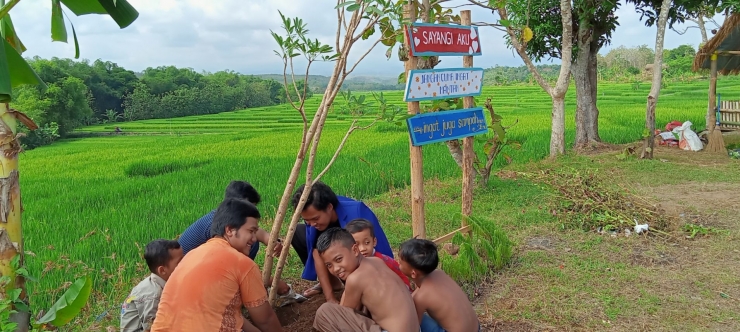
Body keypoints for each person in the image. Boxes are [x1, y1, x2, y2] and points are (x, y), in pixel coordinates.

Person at [151, 198, 284, 332]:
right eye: (251, 231)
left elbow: (232, 317)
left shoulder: (192, 255)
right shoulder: (242, 263)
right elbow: (266, 320)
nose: (255, 239)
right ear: (230, 230)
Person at [177, 180, 304, 306]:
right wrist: (272, 282)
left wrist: (273, 241)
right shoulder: (218, 229)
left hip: (202, 269)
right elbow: (232, 264)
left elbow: (259, 232)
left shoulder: (228, 220)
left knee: (251, 242)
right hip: (189, 280)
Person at [289, 181, 393, 302]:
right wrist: (330, 298)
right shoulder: (314, 224)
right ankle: (333, 283)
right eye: (307, 220)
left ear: (329, 207)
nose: (311, 224)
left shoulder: (357, 213)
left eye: (315, 218)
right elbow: (316, 254)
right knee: (296, 232)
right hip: (341, 260)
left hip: (366, 267)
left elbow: (380, 250)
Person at [312, 228, 419, 332]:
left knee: (325, 312)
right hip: (417, 329)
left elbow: (343, 315)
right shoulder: (377, 261)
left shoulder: (355, 279)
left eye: (339, 259)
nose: (335, 268)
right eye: (329, 265)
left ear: (354, 250)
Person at [397, 239, 480, 332]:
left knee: (410, 316)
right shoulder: (439, 274)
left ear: (413, 273)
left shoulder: (420, 298)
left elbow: (414, 327)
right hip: (476, 328)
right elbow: (419, 291)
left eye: (400, 262)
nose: (397, 263)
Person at [120, 239, 183, 332]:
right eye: (180, 262)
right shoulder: (154, 295)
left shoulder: (160, 281)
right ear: (162, 271)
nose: (185, 264)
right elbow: (152, 328)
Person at [345, 218, 411, 291]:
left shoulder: (383, 261)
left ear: (374, 241)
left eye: (367, 242)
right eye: (357, 245)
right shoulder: (352, 263)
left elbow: (403, 281)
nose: (363, 248)